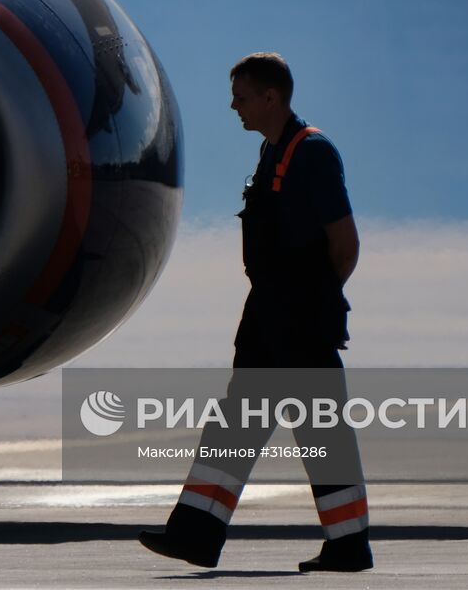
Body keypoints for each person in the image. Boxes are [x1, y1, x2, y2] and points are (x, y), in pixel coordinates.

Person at [138, 52, 372, 573]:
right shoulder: (273, 153)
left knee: (321, 434)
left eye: (241, 97)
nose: (233, 106)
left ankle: (349, 544)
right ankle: (197, 532)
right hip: (269, 318)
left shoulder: (312, 153)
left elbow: (346, 245)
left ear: (272, 97)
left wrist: (312, 300)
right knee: (238, 426)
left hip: (300, 322)